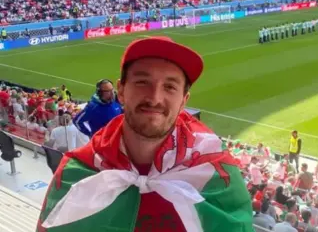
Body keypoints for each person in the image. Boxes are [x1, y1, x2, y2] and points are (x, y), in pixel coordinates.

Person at [37, 36, 254, 232]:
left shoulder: (218, 175)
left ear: (184, 101)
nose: (154, 98)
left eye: (169, 87)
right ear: (121, 91)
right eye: (142, 82)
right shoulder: (75, 174)